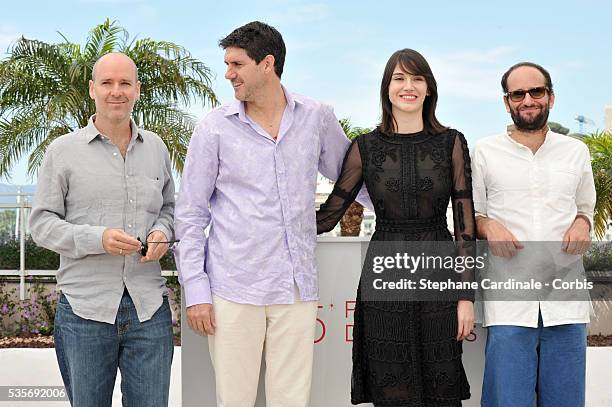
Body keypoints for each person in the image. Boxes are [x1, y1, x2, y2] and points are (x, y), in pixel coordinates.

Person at [174, 21, 368, 407]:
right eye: (227, 64)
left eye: (236, 64)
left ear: (267, 64)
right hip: (232, 289)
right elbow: (191, 214)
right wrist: (195, 291)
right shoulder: (214, 127)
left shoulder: (317, 117)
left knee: (292, 401)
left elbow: (355, 179)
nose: (228, 74)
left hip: (296, 289)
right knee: (235, 401)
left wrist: (415, 213)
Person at [316, 48, 475, 406]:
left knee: (441, 385)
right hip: (385, 275)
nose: (409, 86)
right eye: (399, 78)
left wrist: (466, 297)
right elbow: (329, 215)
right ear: (386, 88)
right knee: (392, 387)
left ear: (429, 88)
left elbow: (465, 224)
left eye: (417, 78)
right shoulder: (366, 147)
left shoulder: (452, 142)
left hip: (440, 273)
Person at [29, 52, 175, 407]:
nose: (116, 91)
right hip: (85, 312)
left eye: (125, 83)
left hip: (149, 310)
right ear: (93, 89)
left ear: (137, 90)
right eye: (107, 83)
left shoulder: (156, 148)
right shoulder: (62, 152)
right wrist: (97, 239)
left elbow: (170, 209)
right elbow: (41, 225)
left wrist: (162, 233)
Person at [472, 62, 596, 407]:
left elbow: (586, 207)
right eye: (518, 93)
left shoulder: (576, 152)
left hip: (565, 300)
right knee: (507, 401)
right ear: (507, 102)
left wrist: (583, 223)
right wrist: (489, 225)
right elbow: (471, 215)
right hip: (509, 300)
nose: (528, 99)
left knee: (566, 401)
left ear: (550, 97)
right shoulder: (484, 151)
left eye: (536, 91)